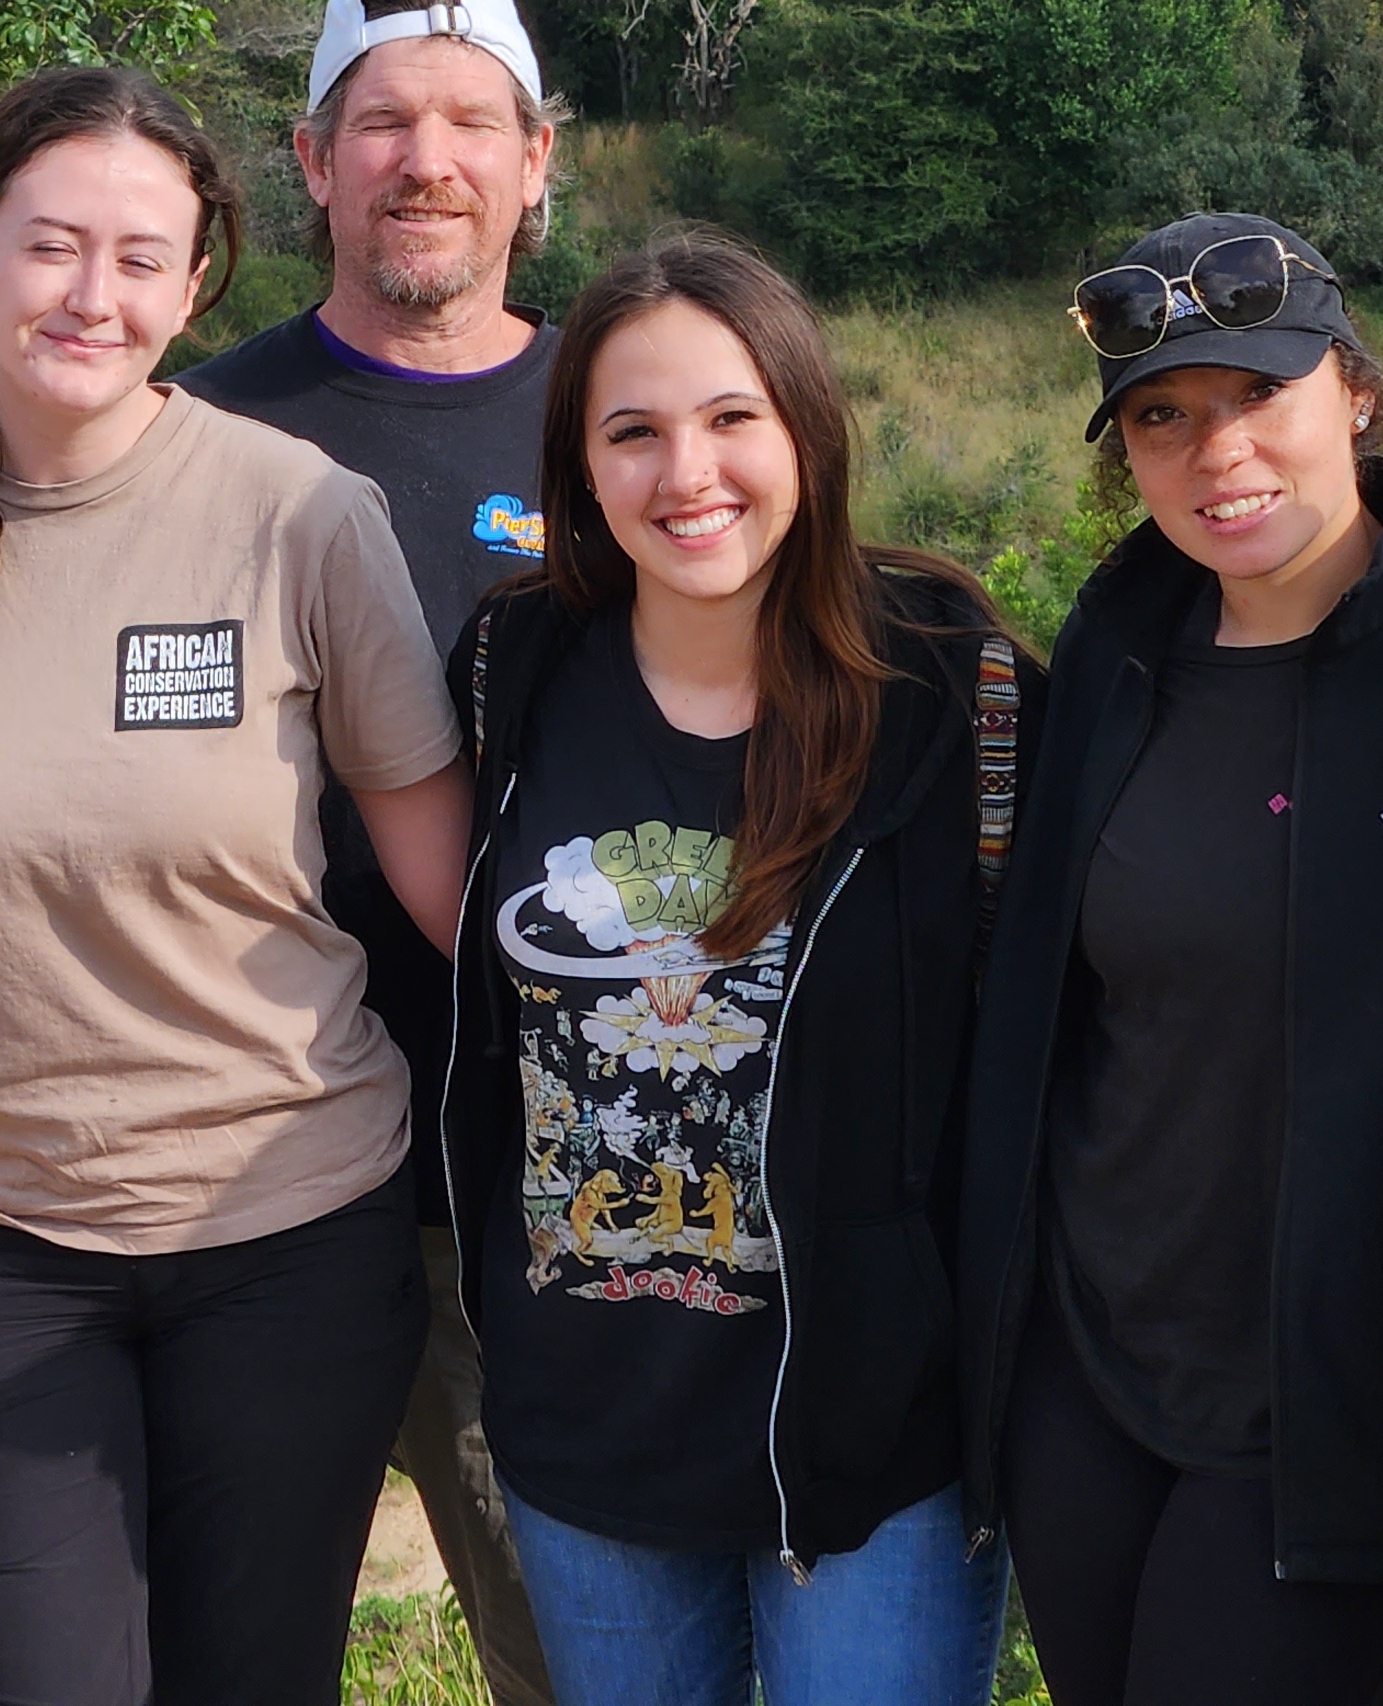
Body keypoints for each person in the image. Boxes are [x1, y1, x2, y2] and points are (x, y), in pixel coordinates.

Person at [0, 64, 472, 1706]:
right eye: (53, 246)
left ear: (197, 281)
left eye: (144, 257)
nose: (94, 294)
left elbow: (450, 891)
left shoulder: (297, 517)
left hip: (287, 1229)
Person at [956, 212, 1383, 1706]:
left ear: (1351, 390)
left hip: (1352, 1409)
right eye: (1164, 418)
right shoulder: (1114, 652)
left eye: (1257, 396)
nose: (1218, 454)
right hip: (1091, 1377)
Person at [441, 230, 1032, 1706]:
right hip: (590, 1424)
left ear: (806, 429)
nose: (684, 474)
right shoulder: (513, 667)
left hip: (872, 1435)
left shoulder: (953, 684)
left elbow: (1037, 1026)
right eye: (631, 433)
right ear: (579, 469)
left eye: (729, 419)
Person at [177, 0, 564, 1706]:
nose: (429, 157)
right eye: (384, 121)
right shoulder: (192, 432)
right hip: (254, 1181)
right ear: (311, 158)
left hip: (534, 1186)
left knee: (577, 1657)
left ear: (536, 161)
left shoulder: (629, 423)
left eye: (470, 119)